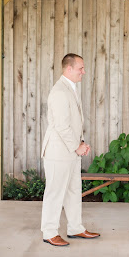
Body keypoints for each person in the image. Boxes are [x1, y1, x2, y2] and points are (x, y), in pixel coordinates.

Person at [40, 53, 100, 246]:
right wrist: (77, 146)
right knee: (55, 192)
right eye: (80, 68)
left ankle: (76, 228)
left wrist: (80, 144)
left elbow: (73, 124)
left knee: (74, 190)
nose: (83, 71)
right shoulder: (59, 92)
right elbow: (61, 126)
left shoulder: (71, 89)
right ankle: (49, 232)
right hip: (58, 152)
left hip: (71, 151)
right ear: (69, 69)